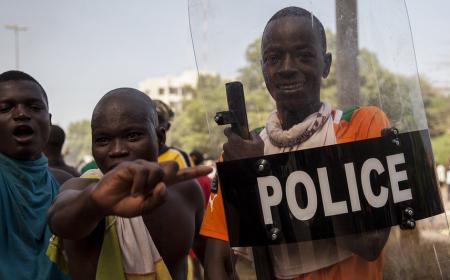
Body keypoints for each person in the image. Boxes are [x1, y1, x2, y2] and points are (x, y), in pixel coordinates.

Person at [200, 7, 390, 280]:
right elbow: (219, 261)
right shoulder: (242, 148)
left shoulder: (362, 124)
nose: (287, 68)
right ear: (264, 69)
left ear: (325, 64)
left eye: (304, 56)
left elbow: (371, 240)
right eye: (274, 58)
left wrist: (263, 176)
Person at [47, 88, 210, 280]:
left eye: (132, 136)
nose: (117, 150)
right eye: (103, 140)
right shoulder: (81, 188)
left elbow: (217, 265)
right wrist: (95, 203)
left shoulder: (186, 191)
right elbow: (59, 219)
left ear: (159, 138)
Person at [0, 70, 71, 279]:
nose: (21, 114)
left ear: (48, 121)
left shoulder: (66, 184)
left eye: (34, 107)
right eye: (5, 108)